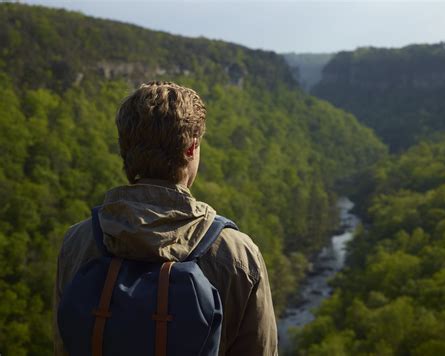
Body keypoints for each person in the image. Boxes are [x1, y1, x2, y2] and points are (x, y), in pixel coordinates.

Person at [53, 81, 278, 356]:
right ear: (191, 149)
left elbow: (64, 344)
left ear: (124, 149)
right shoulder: (237, 254)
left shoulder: (78, 242)